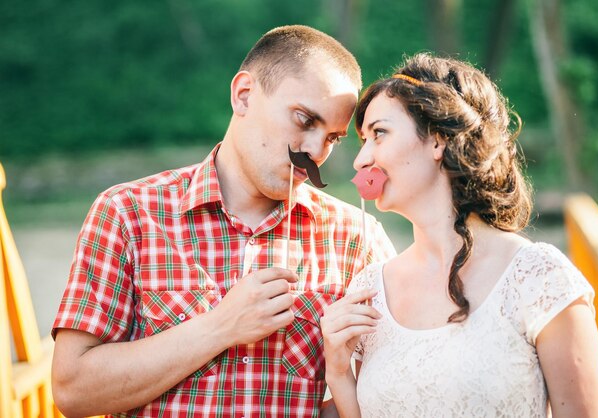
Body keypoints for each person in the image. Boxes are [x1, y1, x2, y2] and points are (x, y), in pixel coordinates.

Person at [51, 25, 396, 417]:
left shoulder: (357, 238)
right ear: (244, 95)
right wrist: (220, 326)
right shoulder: (128, 213)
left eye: (333, 138)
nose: (315, 151)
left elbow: (390, 390)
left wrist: (339, 376)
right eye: (303, 120)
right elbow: (72, 390)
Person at [321, 52, 598, 417]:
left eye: (379, 133)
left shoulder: (538, 277)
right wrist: (339, 373)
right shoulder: (370, 290)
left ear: (438, 139)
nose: (361, 161)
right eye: (363, 141)